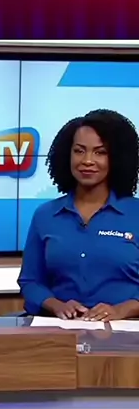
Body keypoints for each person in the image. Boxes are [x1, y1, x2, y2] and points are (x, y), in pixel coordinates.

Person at [19, 109, 139, 320]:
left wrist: (122, 310)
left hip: (127, 330)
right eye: (79, 151)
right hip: (61, 329)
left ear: (118, 158)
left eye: (100, 152)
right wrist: (56, 306)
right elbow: (31, 282)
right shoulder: (45, 215)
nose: (87, 161)